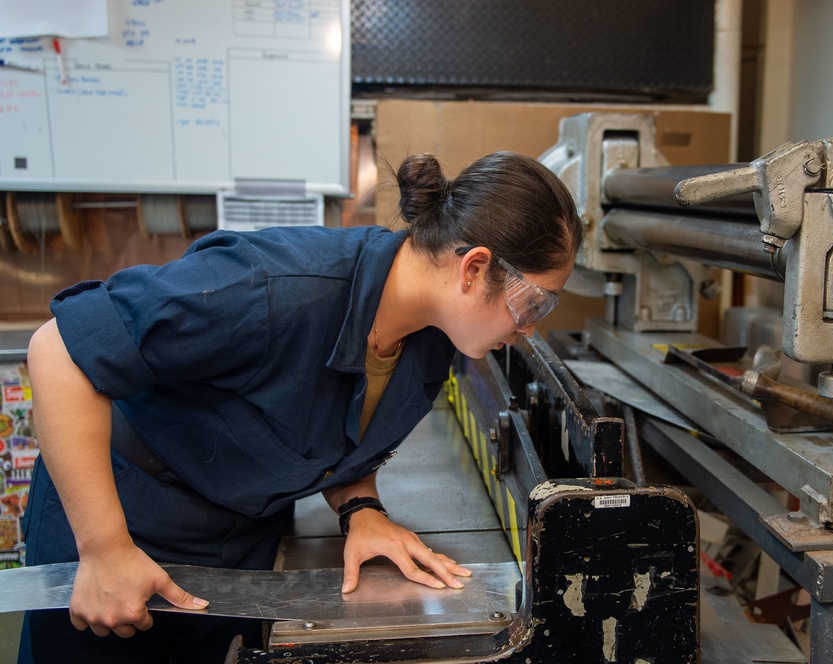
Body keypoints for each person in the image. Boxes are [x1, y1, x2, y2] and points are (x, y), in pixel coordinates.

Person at [18, 151, 583, 664]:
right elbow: (59, 350)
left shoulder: (433, 339)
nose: (530, 327)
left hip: (240, 539)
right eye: (533, 301)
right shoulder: (274, 287)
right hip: (124, 519)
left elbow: (328, 426)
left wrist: (360, 510)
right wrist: (105, 549)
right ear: (474, 268)